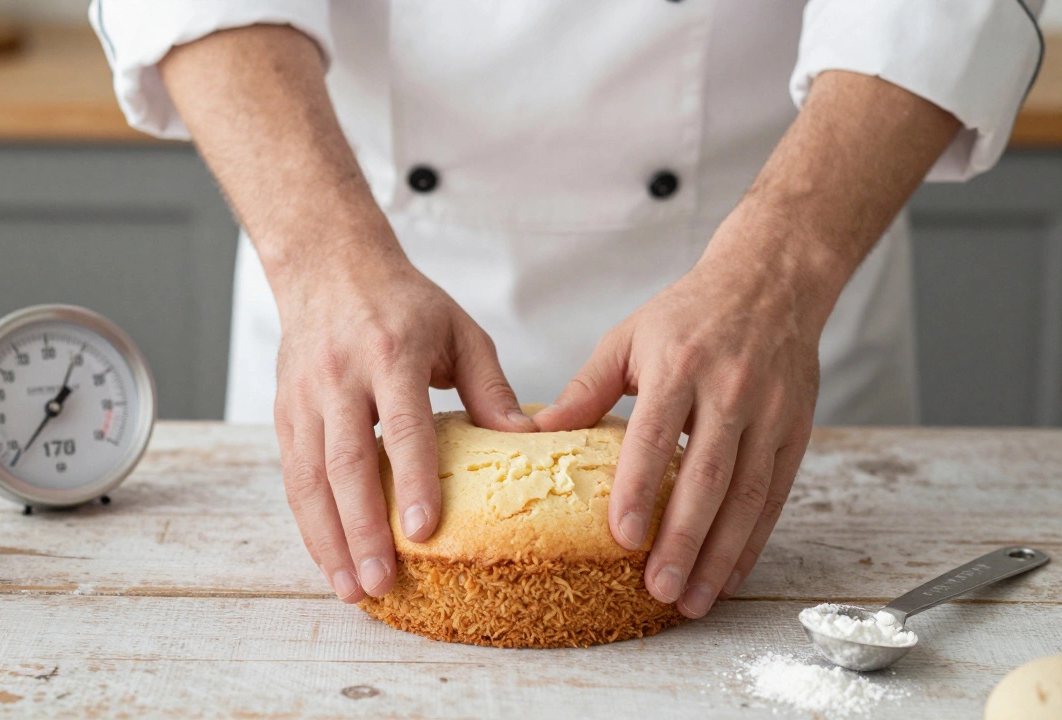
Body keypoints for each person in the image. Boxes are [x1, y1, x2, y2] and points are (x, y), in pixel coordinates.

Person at [90, 1, 1043, 619]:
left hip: (775, 267)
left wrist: (780, 269)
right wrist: (322, 255)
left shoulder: (778, 274)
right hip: (352, 289)